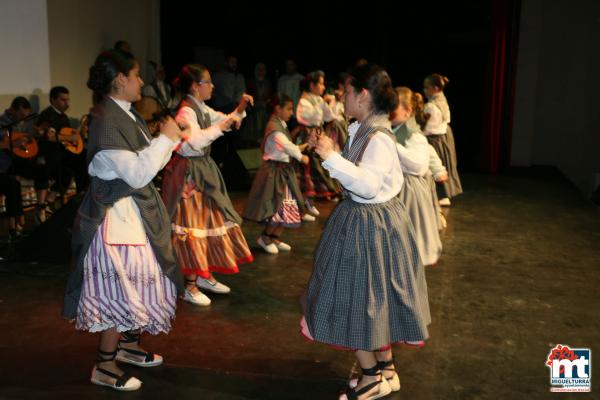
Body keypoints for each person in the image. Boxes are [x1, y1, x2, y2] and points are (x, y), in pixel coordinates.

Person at [302, 64, 431, 400]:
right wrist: (331, 151)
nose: (341, 97)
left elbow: (369, 185)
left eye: (345, 91)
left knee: (356, 300)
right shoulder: (363, 128)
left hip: (370, 224)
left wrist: (331, 157)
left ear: (362, 94)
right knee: (376, 298)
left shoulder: (379, 138)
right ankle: (386, 371)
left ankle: (372, 377)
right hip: (370, 221)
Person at [63, 49, 189, 391]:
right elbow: (137, 173)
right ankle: (104, 366)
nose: (141, 81)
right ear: (121, 79)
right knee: (121, 288)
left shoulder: (124, 114)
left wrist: (166, 139)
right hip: (114, 219)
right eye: (136, 75)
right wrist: (166, 138)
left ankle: (128, 346)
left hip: (132, 215)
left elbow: (145, 164)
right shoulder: (106, 120)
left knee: (141, 280)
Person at [162, 64, 254, 306]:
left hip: (202, 170)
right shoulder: (186, 112)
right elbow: (193, 141)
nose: (212, 86)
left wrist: (239, 110)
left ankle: (203, 275)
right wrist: (220, 127)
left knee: (208, 219)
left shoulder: (200, 107)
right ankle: (189, 285)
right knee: (192, 226)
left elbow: (223, 119)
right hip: (189, 174)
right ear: (195, 86)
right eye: (208, 82)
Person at [243, 95, 310, 254]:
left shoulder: (281, 125)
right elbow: (287, 146)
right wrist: (301, 157)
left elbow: (290, 146)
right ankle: (265, 238)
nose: (291, 112)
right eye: (288, 109)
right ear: (277, 109)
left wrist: (306, 145)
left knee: (288, 205)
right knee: (278, 206)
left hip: (283, 171)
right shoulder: (274, 128)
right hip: (275, 172)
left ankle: (274, 237)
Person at [392, 87, 442, 266]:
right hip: (393, 189)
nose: (388, 112)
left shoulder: (415, 136)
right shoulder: (393, 131)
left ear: (408, 111)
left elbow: (418, 165)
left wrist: (392, 145)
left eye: (393, 107)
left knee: (407, 240)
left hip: (408, 193)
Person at [422, 73, 462, 206]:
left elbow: (429, 127)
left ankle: (441, 196)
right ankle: (443, 196)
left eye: (426, 87)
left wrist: (418, 133)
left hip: (435, 138)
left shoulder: (431, 106)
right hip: (444, 136)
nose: (425, 90)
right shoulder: (442, 100)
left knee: (436, 164)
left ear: (435, 88)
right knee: (444, 162)